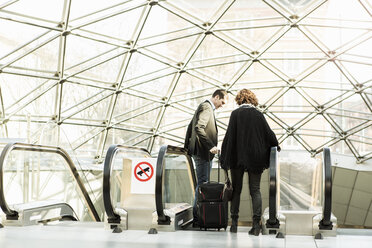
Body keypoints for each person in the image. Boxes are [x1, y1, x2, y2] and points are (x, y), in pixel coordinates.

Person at [220, 89, 279, 235]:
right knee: (255, 190)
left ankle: (233, 224)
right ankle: (256, 225)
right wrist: (276, 145)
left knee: (237, 190)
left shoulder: (235, 114)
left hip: (237, 157)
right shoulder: (258, 114)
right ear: (252, 100)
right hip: (256, 157)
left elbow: (229, 136)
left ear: (239, 100)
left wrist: (224, 157)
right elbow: (269, 134)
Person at [184, 89, 228, 226]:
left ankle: (200, 216)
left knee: (202, 183)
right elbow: (198, 127)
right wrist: (210, 146)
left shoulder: (204, 107)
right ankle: (198, 217)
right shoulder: (207, 107)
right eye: (222, 102)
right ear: (216, 97)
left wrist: (187, 148)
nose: (222, 105)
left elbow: (190, 127)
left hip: (200, 152)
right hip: (203, 153)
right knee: (202, 184)